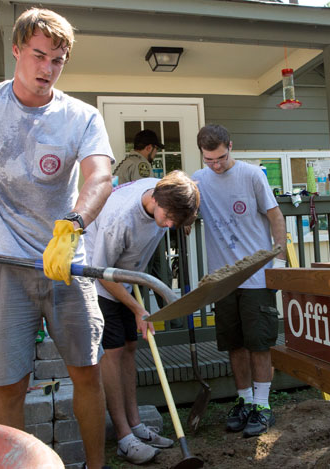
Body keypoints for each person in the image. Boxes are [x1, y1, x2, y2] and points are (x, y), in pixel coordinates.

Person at [0, 8, 114, 468]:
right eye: (38, 56)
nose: (47, 69)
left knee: (87, 374)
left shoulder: (80, 117)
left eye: (57, 60)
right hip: (4, 268)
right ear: (16, 50)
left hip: (67, 265)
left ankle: (97, 466)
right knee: (8, 384)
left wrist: (72, 226)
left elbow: (101, 176)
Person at [87, 171, 199, 464]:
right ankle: (124, 437)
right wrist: (139, 309)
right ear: (156, 201)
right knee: (112, 353)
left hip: (124, 276)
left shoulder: (163, 193)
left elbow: (182, 197)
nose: (171, 224)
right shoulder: (120, 220)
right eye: (170, 218)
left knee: (131, 347)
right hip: (97, 279)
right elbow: (101, 272)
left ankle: (136, 425)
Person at [191, 124, 287, 437]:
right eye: (209, 160)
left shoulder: (251, 175)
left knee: (258, 344)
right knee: (234, 345)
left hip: (256, 275)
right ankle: (244, 401)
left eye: (220, 157)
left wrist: (280, 261)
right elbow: (187, 214)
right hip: (223, 280)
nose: (216, 165)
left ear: (231, 146)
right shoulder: (199, 180)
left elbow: (275, 217)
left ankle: (262, 406)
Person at [113, 130, 174, 314]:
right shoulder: (141, 165)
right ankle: (172, 316)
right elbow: (149, 197)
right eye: (155, 150)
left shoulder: (123, 164)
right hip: (141, 228)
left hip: (122, 227)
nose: (154, 154)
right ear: (149, 148)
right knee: (161, 272)